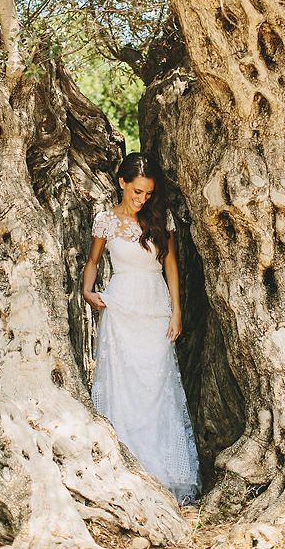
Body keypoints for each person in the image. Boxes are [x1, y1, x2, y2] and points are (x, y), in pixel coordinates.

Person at [81, 152, 200, 503]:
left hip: (155, 309)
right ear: (122, 183)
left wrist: (176, 312)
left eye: (147, 194)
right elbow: (93, 261)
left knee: (158, 387)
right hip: (121, 308)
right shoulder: (105, 221)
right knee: (123, 386)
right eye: (136, 192)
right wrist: (86, 291)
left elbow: (172, 267)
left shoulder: (161, 219)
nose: (141, 199)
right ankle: (124, 469)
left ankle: (164, 471)